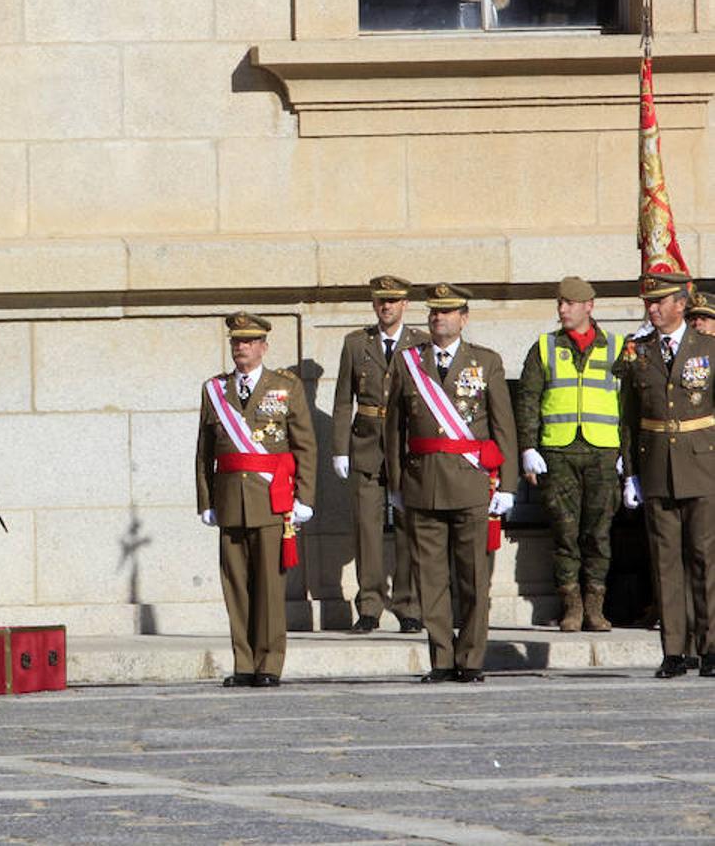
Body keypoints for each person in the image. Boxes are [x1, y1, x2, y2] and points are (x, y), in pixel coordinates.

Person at [385, 284, 518, 683]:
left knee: (473, 577)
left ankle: (472, 657)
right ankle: (441, 657)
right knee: (430, 578)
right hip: (422, 484)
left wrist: (506, 485)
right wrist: (395, 484)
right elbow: (394, 430)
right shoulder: (408, 363)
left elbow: (503, 427)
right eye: (433, 313)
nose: (437, 318)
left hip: (470, 485)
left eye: (446, 312)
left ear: (464, 317)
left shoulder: (486, 362)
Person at [196, 312, 317, 688]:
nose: (241, 347)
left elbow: (305, 446)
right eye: (236, 341)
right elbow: (204, 451)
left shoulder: (286, 387)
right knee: (236, 587)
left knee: (268, 587)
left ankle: (269, 663)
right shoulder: (214, 389)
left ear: (264, 346)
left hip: (271, 500)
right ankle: (244, 662)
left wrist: (305, 496)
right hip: (231, 499)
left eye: (248, 341)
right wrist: (206, 499)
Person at [616, 272, 715, 679]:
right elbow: (628, 418)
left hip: (703, 464)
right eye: (649, 303)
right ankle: (675, 649)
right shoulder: (637, 353)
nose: (652, 309)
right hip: (657, 466)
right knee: (665, 561)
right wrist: (631, 473)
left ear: (681, 304)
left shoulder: (708, 347)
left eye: (660, 302)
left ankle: (710, 647)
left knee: (705, 557)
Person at [515, 276, 623, 633]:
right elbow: (528, 398)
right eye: (560, 303)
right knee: (564, 533)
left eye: (570, 303)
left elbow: (630, 402)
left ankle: (595, 606)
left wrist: (628, 455)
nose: (562, 309)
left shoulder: (618, 348)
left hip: (603, 453)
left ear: (589, 306)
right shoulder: (544, 347)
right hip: (558, 452)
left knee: (599, 533)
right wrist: (528, 447)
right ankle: (572, 606)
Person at [332, 276, 428, 634]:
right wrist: (339, 448)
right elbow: (344, 400)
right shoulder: (357, 344)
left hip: (405, 444)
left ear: (404, 305)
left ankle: (408, 605)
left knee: (410, 528)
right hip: (367, 443)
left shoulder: (421, 343)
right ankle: (369, 605)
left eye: (392, 301)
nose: (385, 307)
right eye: (380, 301)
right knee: (367, 529)